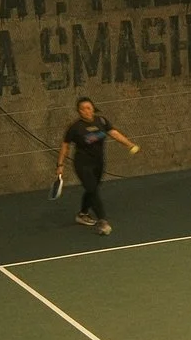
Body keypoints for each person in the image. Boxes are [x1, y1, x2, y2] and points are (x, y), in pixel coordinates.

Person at [57, 96, 139, 236]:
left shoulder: (101, 121)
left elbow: (114, 133)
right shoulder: (75, 128)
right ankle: (103, 221)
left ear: (93, 108)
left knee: (92, 190)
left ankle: (82, 214)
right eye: (82, 109)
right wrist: (60, 165)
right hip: (82, 164)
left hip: (99, 163)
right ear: (79, 112)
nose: (86, 111)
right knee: (93, 189)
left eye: (88, 108)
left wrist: (129, 144)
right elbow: (65, 146)